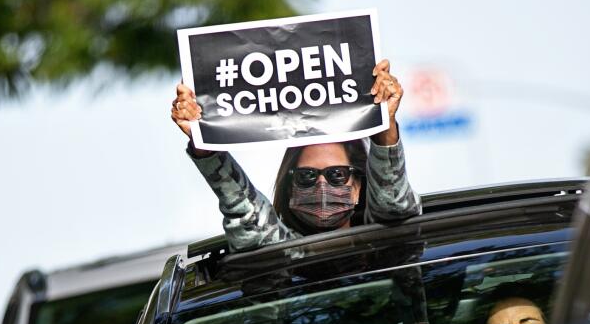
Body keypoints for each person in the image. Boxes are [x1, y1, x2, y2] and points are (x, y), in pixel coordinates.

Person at [170, 60, 420, 252]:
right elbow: (247, 214)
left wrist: (384, 120)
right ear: (290, 187)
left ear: (357, 186)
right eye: (307, 176)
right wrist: (203, 139)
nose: (322, 185)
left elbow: (393, 206)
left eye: (336, 175)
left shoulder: (387, 242)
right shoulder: (281, 255)